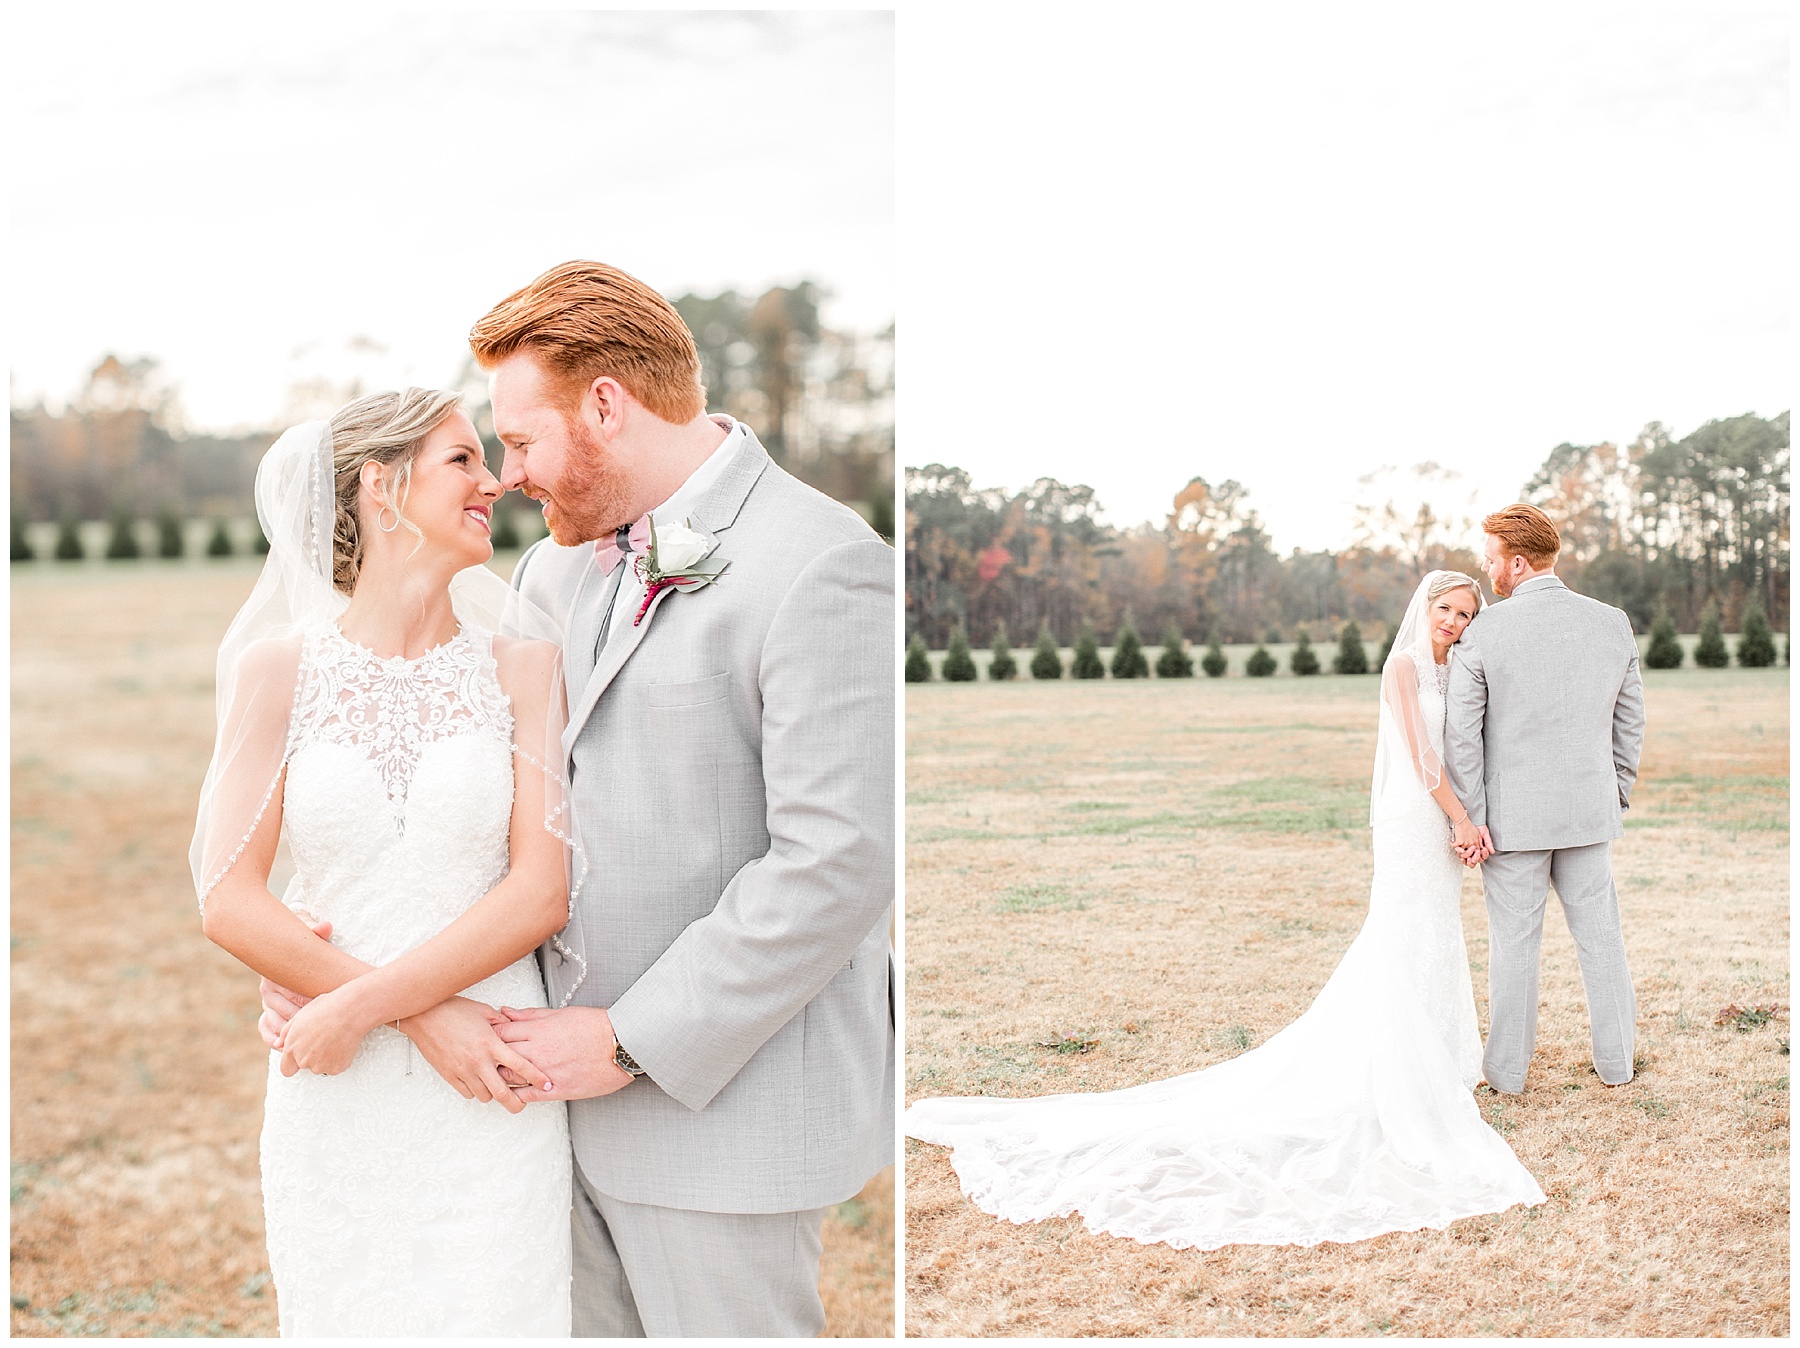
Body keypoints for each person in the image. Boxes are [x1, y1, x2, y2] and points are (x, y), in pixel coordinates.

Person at [260, 261, 895, 1336]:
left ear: (606, 404)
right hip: (528, 1117)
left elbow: (836, 863)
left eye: (519, 440)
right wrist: (336, 974)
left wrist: (627, 1040)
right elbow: (478, 816)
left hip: (716, 1110)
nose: (508, 475)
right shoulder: (552, 576)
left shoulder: (820, 561)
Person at [905, 570, 1545, 1251]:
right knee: (1402, 931)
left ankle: (1437, 1059)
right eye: (1446, 608)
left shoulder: (1457, 668)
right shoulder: (1405, 667)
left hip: (1446, 819)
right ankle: (1395, 1068)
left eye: (1466, 614)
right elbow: (1420, 755)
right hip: (1415, 817)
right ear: (1425, 607)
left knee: (1434, 932)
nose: (1453, 621)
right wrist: (1461, 819)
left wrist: (1469, 816)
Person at [195, 390, 578, 1335]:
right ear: (380, 482)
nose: (494, 481)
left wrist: (360, 1008)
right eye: (462, 459)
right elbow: (228, 898)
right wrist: (416, 1017)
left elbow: (541, 892)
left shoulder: (524, 669)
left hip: (492, 1077)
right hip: (338, 1094)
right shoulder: (278, 671)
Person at [1446, 504, 1643, 1094]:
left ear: (1518, 563)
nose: (1487, 571)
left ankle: (1507, 1076)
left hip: (1510, 821)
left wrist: (1473, 817)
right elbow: (1629, 720)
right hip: (1589, 810)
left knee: (1513, 947)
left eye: (1491, 560)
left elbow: (1462, 736)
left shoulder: (1483, 632)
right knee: (1602, 940)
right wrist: (1615, 790)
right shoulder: (1612, 622)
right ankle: (1618, 1065)